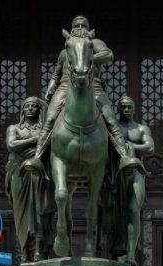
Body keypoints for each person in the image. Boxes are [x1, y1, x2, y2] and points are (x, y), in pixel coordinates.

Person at [24, 15, 139, 177]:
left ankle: (124, 157)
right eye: (76, 25)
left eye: (82, 25)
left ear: (88, 27)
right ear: (71, 29)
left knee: (111, 120)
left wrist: (86, 56)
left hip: (94, 87)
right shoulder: (66, 50)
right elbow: (57, 73)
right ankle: (37, 158)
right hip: (65, 86)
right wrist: (51, 85)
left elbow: (108, 55)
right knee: (49, 119)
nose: (79, 28)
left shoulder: (95, 43)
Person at [107, 95, 154, 265]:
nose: (126, 110)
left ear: (134, 109)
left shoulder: (141, 129)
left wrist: (129, 146)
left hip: (136, 171)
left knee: (134, 209)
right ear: (117, 109)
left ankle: (131, 254)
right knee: (114, 214)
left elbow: (149, 147)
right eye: (123, 107)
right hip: (116, 173)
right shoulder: (113, 128)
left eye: (129, 107)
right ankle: (114, 250)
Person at [5, 96, 53, 262]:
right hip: (18, 172)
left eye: (34, 106)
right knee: (22, 213)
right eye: (28, 106)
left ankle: (39, 249)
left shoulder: (44, 129)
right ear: (23, 110)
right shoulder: (14, 129)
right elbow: (11, 145)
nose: (31, 108)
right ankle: (25, 250)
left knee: (39, 209)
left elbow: (50, 139)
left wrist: (44, 103)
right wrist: (36, 139)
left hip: (38, 172)